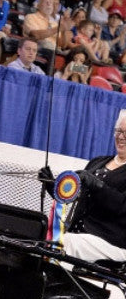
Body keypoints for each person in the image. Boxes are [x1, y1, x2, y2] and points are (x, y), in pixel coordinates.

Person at [39, 109, 126, 262]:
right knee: (43, 235)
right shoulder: (97, 162)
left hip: (112, 241)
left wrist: (97, 186)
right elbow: (76, 196)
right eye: (118, 131)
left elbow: (122, 206)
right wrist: (53, 186)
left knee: (66, 243)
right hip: (79, 235)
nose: (121, 137)